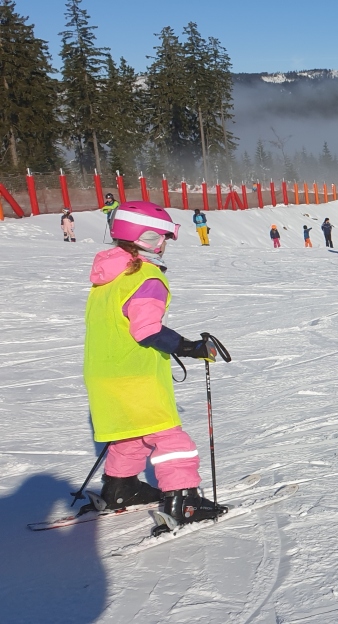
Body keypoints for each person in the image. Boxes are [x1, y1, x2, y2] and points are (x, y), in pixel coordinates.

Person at [82, 201, 226, 529]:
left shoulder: (106, 276)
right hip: (134, 374)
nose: (162, 244)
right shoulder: (146, 277)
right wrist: (190, 347)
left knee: (129, 434)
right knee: (169, 437)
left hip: (102, 374)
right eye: (158, 237)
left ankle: (121, 488)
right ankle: (182, 501)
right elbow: (146, 330)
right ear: (143, 237)